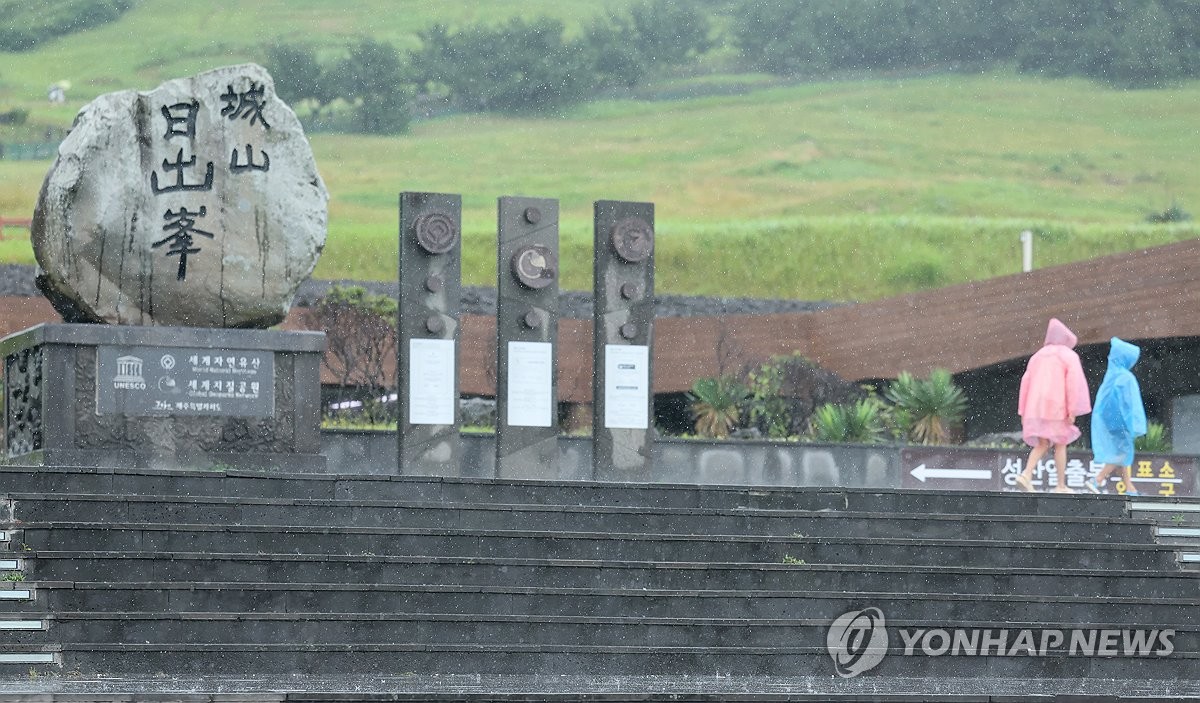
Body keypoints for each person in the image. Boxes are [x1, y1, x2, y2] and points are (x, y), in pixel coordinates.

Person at [1015, 318, 1091, 493]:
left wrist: (1023, 411)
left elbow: (1025, 383)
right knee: (1061, 443)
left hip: (1034, 408)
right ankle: (1060, 485)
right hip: (1057, 407)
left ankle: (1026, 475)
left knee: (1042, 444)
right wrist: (1072, 410)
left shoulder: (1036, 357)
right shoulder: (1069, 356)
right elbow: (1073, 384)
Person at [1085, 337, 1147, 496]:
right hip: (1120, 422)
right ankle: (1097, 480)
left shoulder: (1111, 375)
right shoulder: (1126, 377)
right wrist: (1137, 425)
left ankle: (1129, 488)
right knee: (1122, 453)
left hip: (1108, 421)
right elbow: (1131, 403)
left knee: (1122, 453)